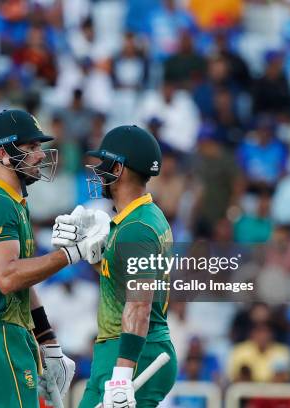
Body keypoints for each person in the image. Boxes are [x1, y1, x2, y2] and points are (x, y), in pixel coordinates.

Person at [0, 109, 107, 407]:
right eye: (30, 147)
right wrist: (71, 254)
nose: (40, 155)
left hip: (8, 331)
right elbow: (8, 276)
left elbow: (23, 283)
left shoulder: (15, 204)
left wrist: (48, 340)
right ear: (2, 154)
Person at [55, 125, 177, 407]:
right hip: (132, 348)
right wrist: (92, 254)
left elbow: (139, 304)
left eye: (103, 166)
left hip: (131, 350)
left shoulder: (137, 228)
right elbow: (124, 281)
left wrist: (122, 376)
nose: (98, 174)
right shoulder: (142, 218)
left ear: (119, 169)